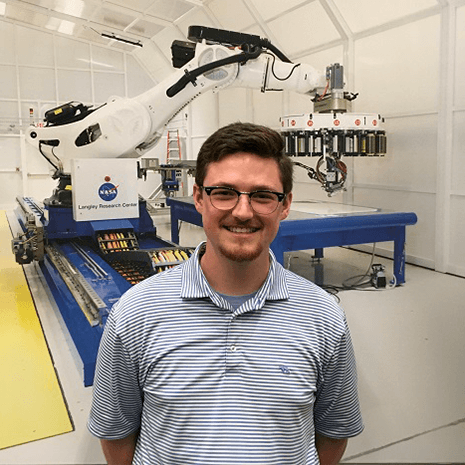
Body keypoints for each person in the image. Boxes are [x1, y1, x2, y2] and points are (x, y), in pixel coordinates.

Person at [88, 122, 364, 464]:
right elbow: (116, 431)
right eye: (224, 192)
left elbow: (334, 431)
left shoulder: (323, 315)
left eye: (263, 195)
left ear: (285, 204)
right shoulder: (136, 312)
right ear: (199, 198)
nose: (243, 211)